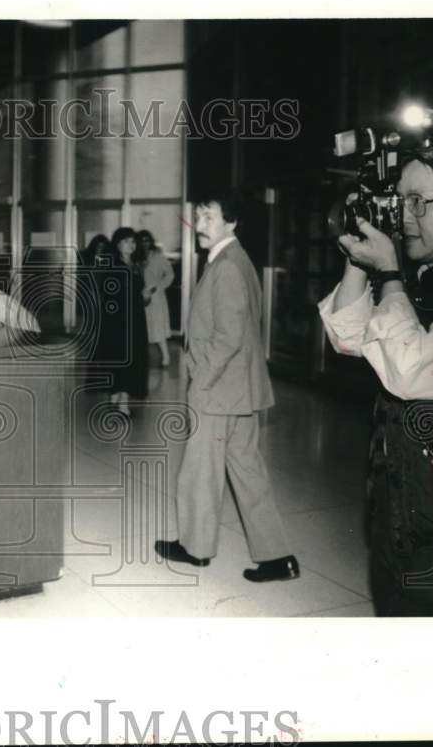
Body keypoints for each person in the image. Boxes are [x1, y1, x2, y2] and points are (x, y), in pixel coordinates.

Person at [318, 140, 433, 616]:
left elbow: (409, 372)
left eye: (419, 201)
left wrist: (388, 273)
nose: (404, 215)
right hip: (400, 514)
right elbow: (349, 337)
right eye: (399, 201)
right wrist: (360, 261)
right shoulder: (424, 275)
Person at [157, 196, 299, 582]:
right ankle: (277, 557)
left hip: (219, 390)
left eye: (209, 216)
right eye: (198, 216)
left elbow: (229, 337)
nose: (199, 224)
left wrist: (200, 383)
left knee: (199, 472)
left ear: (231, 222)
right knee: (248, 473)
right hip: (239, 389)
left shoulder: (228, 266)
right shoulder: (232, 259)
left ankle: (195, 548)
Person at [97, 227, 149, 416]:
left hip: (134, 318)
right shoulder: (113, 265)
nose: (131, 245)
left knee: (131, 358)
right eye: (127, 241)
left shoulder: (135, 265)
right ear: (118, 244)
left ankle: (118, 396)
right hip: (118, 320)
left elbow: (136, 292)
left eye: (133, 242)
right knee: (121, 358)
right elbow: (110, 293)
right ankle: (121, 401)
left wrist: (143, 295)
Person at [138, 229, 175, 366]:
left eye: (147, 240)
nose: (145, 243)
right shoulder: (137, 257)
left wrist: (155, 288)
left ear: (151, 241)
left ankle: (166, 357)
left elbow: (170, 274)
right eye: (141, 241)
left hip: (156, 296)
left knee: (158, 327)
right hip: (140, 296)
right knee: (142, 328)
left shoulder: (158, 255)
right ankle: (143, 357)